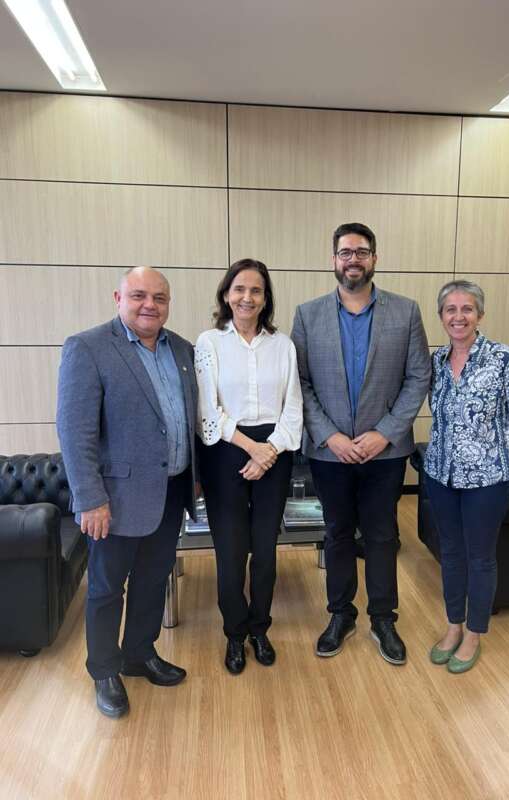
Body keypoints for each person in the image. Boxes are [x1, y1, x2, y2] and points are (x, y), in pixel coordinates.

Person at [56, 266, 200, 718]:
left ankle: (140, 653)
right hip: (114, 500)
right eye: (138, 295)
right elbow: (74, 431)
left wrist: (193, 475)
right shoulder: (89, 347)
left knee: (153, 580)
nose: (149, 305)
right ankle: (104, 670)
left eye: (159, 297)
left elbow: (184, 418)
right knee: (105, 588)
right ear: (117, 297)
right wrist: (90, 498)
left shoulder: (181, 349)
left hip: (171, 490)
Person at [291, 222, 430, 665]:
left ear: (375, 258)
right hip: (329, 452)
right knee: (335, 534)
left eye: (362, 252)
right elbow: (300, 384)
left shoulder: (406, 312)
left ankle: (384, 618)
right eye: (345, 252)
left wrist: (383, 432)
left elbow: (418, 377)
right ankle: (340, 614)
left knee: (382, 534)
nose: (353, 259)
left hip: (384, 452)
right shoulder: (307, 315)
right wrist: (331, 436)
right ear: (333, 260)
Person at [195, 258, 302, 675]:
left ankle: (260, 628)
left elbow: (293, 409)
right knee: (231, 552)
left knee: (267, 553)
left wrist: (268, 451)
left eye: (256, 290)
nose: (247, 297)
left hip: (274, 452)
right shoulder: (209, 343)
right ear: (226, 294)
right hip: (226, 451)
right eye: (239, 289)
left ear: (265, 298)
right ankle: (235, 634)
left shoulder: (284, 345)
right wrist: (251, 449)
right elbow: (208, 412)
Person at [424, 280, 509, 673]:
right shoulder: (435, 361)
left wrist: (496, 453)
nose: (458, 317)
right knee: (450, 554)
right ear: (441, 317)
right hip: (440, 474)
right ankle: (453, 627)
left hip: (488, 479)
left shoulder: (502, 358)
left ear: (479, 315)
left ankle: (473, 634)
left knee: (480, 557)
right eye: (450, 310)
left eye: (466, 309)